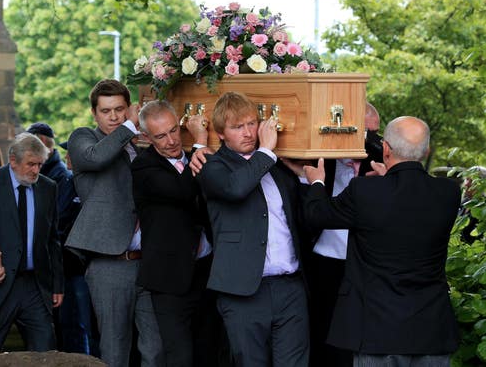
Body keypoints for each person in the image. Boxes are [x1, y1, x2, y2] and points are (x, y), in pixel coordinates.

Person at [302, 116, 460, 366]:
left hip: (376, 331)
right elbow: (407, 202)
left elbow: (316, 215)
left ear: (385, 148)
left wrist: (317, 182)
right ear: (426, 150)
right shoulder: (449, 192)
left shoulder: (365, 191)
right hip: (431, 330)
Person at [196, 91, 311, 367]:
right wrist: (266, 151)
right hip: (243, 292)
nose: (248, 133)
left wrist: (305, 180)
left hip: (290, 287)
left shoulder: (277, 167)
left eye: (251, 124)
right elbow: (236, 188)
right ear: (221, 134)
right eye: (237, 127)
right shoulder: (212, 167)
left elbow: (301, 219)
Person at [66, 79, 163, 367]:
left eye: (120, 110)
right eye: (106, 111)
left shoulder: (140, 145)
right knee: (114, 351)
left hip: (148, 262)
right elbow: (97, 158)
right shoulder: (83, 138)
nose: (113, 117)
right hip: (109, 263)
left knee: (156, 349)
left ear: (128, 108)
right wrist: (129, 126)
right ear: (94, 114)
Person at [132, 100, 223, 367]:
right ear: (147, 137)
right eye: (161, 136)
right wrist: (200, 142)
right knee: (179, 356)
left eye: (174, 130)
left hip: (206, 271)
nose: (171, 140)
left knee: (209, 351)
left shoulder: (200, 155)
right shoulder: (142, 168)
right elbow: (183, 191)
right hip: (169, 279)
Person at [307, 102, 383, 367]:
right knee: (324, 335)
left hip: (364, 263)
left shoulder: (382, 166)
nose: (369, 140)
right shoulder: (319, 159)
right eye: (363, 133)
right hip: (324, 260)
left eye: (375, 133)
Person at [0, 132, 64, 352]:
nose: (36, 170)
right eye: (31, 164)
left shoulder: (48, 187)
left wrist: (57, 284)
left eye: (40, 164)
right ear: (13, 161)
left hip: (35, 285)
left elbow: (53, 240)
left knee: (45, 349)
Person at [26, 122, 94, 354]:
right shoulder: (50, 176)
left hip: (69, 265)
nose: (68, 157)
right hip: (56, 264)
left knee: (74, 324)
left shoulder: (63, 180)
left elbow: (57, 223)